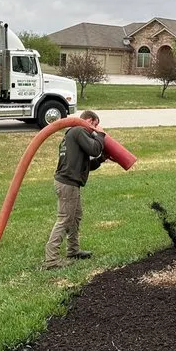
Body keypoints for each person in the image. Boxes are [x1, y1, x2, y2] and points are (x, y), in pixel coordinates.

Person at [44, 110, 108, 270]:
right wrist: (101, 135)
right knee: (65, 219)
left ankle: (73, 251)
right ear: (88, 120)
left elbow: (85, 165)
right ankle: (51, 260)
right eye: (95, 124)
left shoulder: (72, 135)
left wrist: (101, 159)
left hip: (69, 183)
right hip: (68, 184)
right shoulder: (78, 131)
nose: (95, 129)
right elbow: (94, 149)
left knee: (76, 217)